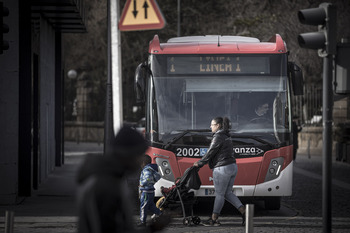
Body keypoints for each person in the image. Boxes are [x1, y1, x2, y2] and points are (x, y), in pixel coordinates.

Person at [76, 126, 169, 233]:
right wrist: (151, 229)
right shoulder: (106, 186)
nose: (140, 160)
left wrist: (153, 228)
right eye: (138, 154)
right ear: (127, 154)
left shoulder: (111, 179)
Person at [193, 117, 245, 226]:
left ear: (218, 126)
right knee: (228, 193)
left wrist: (200, 163)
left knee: (220, 194)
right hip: (232, 166)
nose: (210, 127)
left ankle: (214, 219)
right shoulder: (227, 135)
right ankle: (244, 212)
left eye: (212, 125)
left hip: (222, 168)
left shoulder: (218, 136)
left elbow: (211, 151)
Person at [138, 154, 162, 227]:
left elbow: (147, 178)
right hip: (151, 191)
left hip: (146, 191)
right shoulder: (152, 169)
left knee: (143, 207)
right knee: (151, 205)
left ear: (143, 162)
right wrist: (152, 182)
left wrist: (142, 184)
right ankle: (160, 214)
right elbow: (158, 177)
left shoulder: (146, 169)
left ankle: (143, 222)